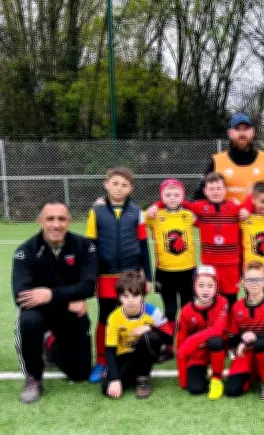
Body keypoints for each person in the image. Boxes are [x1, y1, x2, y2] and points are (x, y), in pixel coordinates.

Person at [13, 201, 97, 404]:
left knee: (80, 374)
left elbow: (88, 287)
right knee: (29, 321)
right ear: (40, 221)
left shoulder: (85, 246)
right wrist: (65, 302)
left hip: (71, 316)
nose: (56, 225)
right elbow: (22, 296)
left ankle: (49, 343)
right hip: (43, 313)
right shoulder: (25, 251)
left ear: (69, 221)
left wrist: (50, 294)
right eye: (50, 219)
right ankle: (33, 377)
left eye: (61, 219)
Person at [85, 167, 152, 383]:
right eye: (115, 183)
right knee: (105, 318)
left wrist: (148, 277)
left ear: (130, 188)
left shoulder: (137, 212)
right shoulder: (95, 212)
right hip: (105, 276)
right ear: (106, 184)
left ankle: (131, 353)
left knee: (133, 313)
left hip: (131, 275)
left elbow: (143, 246)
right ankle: (102, 360)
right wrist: (91, 277)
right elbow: (91, 246)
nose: (119, 188)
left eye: (124, 185)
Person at [152, 172, 248, 307]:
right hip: (209, 264)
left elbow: (252, 203)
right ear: (205, 191)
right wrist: (157, 204)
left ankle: (230, 328)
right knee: (209, 298)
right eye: (211, 189)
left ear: (226, 190)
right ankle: (211, 325)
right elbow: (176, 201)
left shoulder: (235, 207)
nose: (215, 192)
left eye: (219, 188)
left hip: (231, 265)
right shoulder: (199, 207)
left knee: (231, 299)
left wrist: (247, 209)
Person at [102, 271, 173, 400]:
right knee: (107, 388)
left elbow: (169, 336)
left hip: (146, 350)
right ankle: (134, 374)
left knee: (149, 337)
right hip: (125, 355)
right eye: (125, 296)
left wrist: (149, 328)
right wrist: (115, 379)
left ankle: (143, 378)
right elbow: (110, 351)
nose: (130, 300)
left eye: (135, 296)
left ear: (142, 296)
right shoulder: (114, 318)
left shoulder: (152, 312)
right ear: (119, 297)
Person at [147, 178, 196, 349]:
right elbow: (135, 216)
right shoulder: (154, 215)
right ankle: (168, 342)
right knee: (169, 309)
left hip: (188, 270)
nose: (172, 197)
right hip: (165, 271)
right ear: (161, 196)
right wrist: (156, 205)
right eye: (167, 195)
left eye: (177, 194)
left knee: (188, 307)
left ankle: (187, 338)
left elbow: (205, 213)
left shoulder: (189, 215)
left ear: (183, 196)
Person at [225, 261, 264, 401]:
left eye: (258, 279)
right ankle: (255, 371)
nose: (254, 283)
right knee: (233, 390)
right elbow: (232, 337)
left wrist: (252, 339)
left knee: (260, 345)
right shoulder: (237, 306)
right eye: (250, 280)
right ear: (243, 282)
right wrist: (243, 338)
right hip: (246, 351)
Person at [195, 113, 264, 201]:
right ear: (230, 133)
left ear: (253, 132)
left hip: (259, 216)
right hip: (227, 216)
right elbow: (200, 196)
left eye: (246, 129)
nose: (242, 133)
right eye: (237, 129)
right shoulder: (217, 160)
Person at [175, 265, 228, 400]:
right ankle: (204, 373)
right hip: (197, 354)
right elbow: (181, 349)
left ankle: (216, 379)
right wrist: (183, 381)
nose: (205, 290)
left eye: (210, 285)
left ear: (217, 287)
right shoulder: (186, 311)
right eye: (201, 285)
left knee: (215, 340)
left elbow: (218, 330)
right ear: (194, 286)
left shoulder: (222, 302)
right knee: (195, 389)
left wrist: (192, 341)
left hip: (217, 348)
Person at [241, 181, 264, 293]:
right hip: (250, 267)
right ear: (253, 199)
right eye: (263, 202)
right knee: (251, 298)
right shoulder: (244, 218)